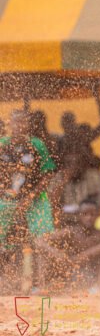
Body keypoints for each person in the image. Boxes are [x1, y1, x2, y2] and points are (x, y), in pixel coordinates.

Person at [0, 110, 56, 292]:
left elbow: (47, 174)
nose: (19, 127)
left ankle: (41, 283)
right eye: (16, 123)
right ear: (10, 125)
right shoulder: (2, 145)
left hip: (37, 199)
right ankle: (9, 283)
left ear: (28, 126)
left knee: (42, 240)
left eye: (23, 123)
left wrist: (30, 198)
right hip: (7, 200)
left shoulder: (37, 145)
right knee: (5, 240)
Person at [35, 199, 100, 293]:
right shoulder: (70, 232)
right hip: (70, 272)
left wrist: (85, 256)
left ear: (98, 216)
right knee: (44, 250)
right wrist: (57, 254)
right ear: (79, 215)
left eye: (92, 214)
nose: (89, 217)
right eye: (85, 214)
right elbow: (39, 241)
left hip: (92, 276)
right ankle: (43, 286)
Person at [57, 87, 100, 170]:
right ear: (62, 125)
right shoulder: (60, 141)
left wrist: (97, 97)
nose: (68, 126)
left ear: (74, 123)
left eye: (70, 122)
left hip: (86, 175)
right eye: (66, 122)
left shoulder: (81, 137)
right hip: (68, 177)